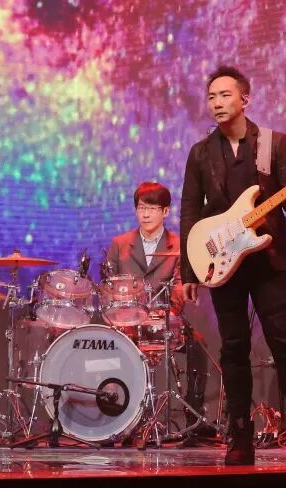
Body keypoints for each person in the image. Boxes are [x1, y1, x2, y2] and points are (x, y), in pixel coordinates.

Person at [180, 65, 286, 465]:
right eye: (211, 97)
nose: (217, 103)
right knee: (233, 349)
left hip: (267, 260)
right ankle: (240, 440)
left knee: (285, 345)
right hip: (223, 263)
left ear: (245, 99)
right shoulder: (200, 152)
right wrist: (190, 271)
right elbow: (189, 212)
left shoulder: (274, 143)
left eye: (225, 95)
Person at [103, 181, 209, 441]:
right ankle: (120, 417)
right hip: (127, 322)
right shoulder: (120, 243)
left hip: (164, 319)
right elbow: (108, 283)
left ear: (165, 212)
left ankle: (193, 416)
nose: (146, 214)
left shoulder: (179, 244)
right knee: (107, 343)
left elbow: (182, 283)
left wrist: (166, 311)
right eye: (141, 208)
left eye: (152, 208)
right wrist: (124, 311)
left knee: (198, 344)